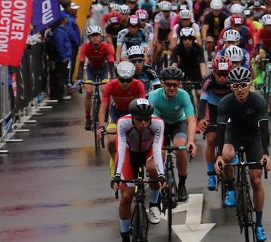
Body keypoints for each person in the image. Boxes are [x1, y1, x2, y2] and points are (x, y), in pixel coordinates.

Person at [215, 66, 271, 242]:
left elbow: (263, 128)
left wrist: (266, 154)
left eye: (243, 85)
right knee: (227, 156)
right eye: (235, 86)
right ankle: (231, 188)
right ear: (231, 87)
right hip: (233, 135)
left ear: (250, 85)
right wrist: (218, 155)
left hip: (253, 137)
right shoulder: (225, 103)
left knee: (256, 179)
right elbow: (221, 129)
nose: (239, 89)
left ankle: (259, 224)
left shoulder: (258, 101)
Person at [111, 98, 167, 242]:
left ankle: (155, 203)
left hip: (148, 151)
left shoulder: (158, 123)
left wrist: (162, 174)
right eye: (139, 119)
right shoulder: (123, 122)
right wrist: (116, 175)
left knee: (152, 169)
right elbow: (120, 149)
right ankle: (124, 241)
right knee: (127, 196)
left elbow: (157, 150)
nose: (143, 123)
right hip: (130, 153)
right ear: (132, 117)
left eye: (146, 119)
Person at [148, 66, 198, 201]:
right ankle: (160, 180)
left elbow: (191, 120)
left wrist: (191, 141)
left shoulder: (183, 95)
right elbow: (148, 121)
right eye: (168, 84)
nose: (172, 88)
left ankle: (182, 184)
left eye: (175, 85)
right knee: (160, 152)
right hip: (159, 124)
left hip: (178, 123)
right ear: (162, 83)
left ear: (179, 84)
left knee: (180, 146)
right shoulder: (154, 96)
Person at [100, 61, 148, 174]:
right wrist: (101, 127)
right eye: (122, 80)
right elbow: (103, 108)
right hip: (116, 113)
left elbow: (144, 105)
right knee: (112, 140)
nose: (125, 83)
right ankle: (114, 159)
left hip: (133, 112)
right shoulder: (109, 86)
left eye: (128, 80)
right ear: (117, 77)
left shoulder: (139, 85)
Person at [197, 56, 233, 191]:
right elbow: (202, 102)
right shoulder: (208, 81)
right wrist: (201, 119)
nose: (223, 78)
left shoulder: (233, 80)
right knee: (211, 139)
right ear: (213, 73)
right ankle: (211, 174)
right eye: (219, 74)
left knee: (232, 133)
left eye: (225, 74)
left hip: (229, 108)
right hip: (213, 109)